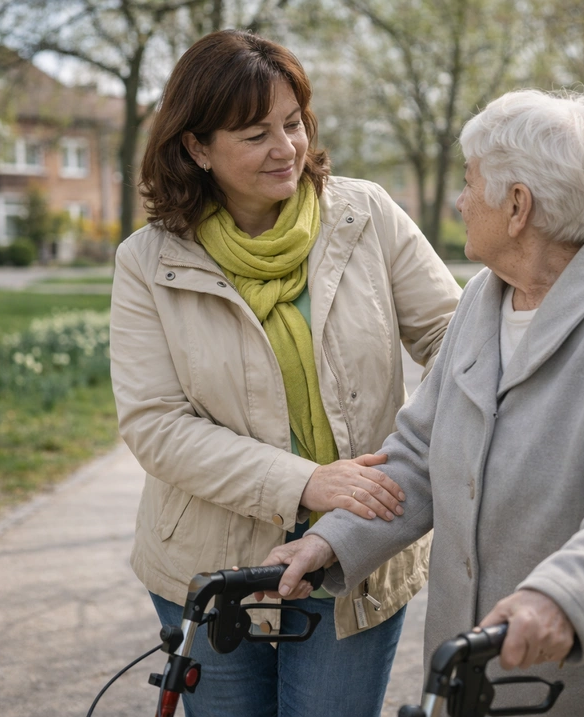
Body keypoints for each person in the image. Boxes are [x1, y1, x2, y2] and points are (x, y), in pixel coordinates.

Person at [264, 89, 584, 716]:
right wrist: (332, 541)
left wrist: (561, 597)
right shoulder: (484, 297)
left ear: (517, 206)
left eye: (470, 182)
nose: (459, 200)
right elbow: (421, 452)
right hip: (474, 670)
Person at [108, 29, 461, 717]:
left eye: (292, 123)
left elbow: (457, 343)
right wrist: (304, 481)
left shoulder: (368, 217)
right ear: (196, 147)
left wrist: (415, 461)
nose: (286, 149)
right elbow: (155, 425)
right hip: (208, 567)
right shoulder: (145, 263)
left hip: (353, 551)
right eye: (254, 133)